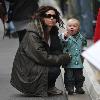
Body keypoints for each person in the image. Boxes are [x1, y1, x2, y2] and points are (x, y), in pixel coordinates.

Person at [10, 6, 71, 97]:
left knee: (57, 58)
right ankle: (38, 88)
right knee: (54, 68)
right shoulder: (33, 34)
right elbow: (42, 57)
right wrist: (65, 57)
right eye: (48, 16)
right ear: (42, 17)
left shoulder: (52, 31)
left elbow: (57, 50)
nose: (51, 18)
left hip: (37, 63)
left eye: (54, 16)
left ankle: (49, 86)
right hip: (27, 72)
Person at [60, 18, 87, 95]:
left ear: (78, 28)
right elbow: (60, 45)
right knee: (69, 76)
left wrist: (83, 54)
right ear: (66, 27)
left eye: (74, 26)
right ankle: (70, 88)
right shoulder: (64, 37)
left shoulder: (81, 38)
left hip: (78, 61)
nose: (72, 27)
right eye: (69, 26)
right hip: (68, 61)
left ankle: (79, 87)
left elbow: (84, 45)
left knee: (79, 76)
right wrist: (63, 37)